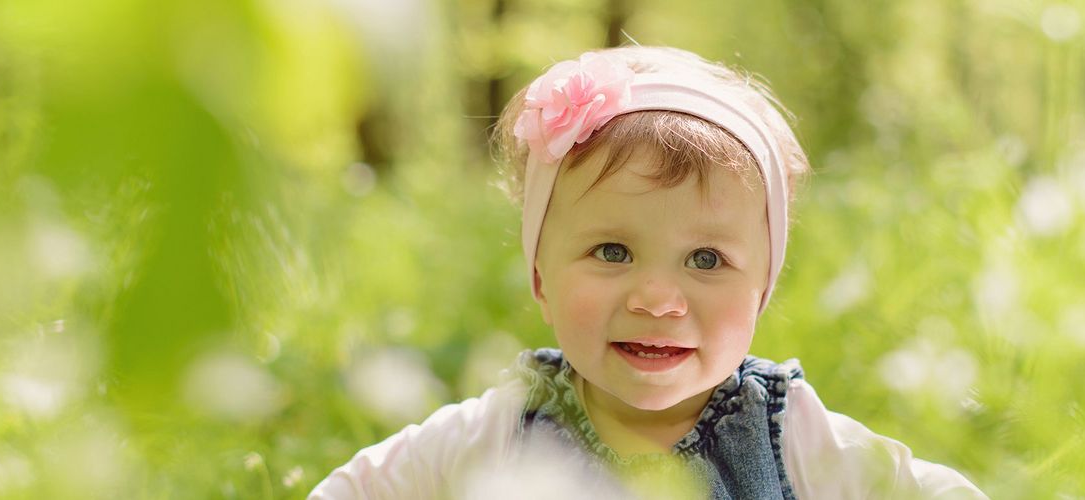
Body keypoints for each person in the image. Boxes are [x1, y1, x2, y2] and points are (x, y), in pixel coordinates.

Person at [311, 46, 988, 499]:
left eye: (706, 260)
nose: (658, 300)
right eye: (611, 252)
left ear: (761, 291)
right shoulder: (502, 428)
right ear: (541, 276)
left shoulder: (786, 431)